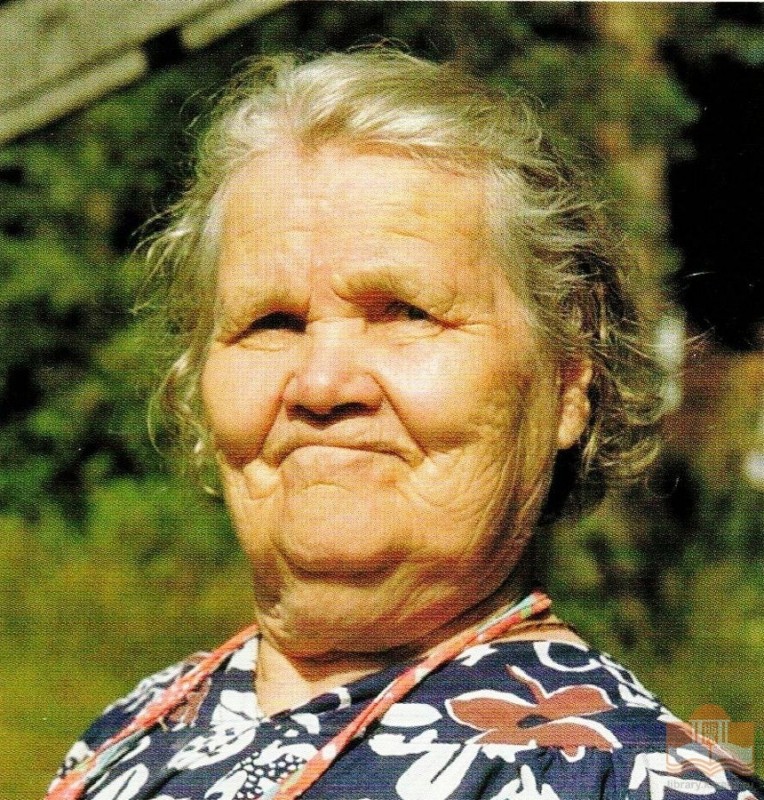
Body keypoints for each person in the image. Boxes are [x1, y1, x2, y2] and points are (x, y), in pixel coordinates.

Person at [46, 50, 763, 800]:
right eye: (272, 322)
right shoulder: (124, 738)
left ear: (565, 383)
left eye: (405, 314)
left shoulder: (623, 778)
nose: (322, 385)